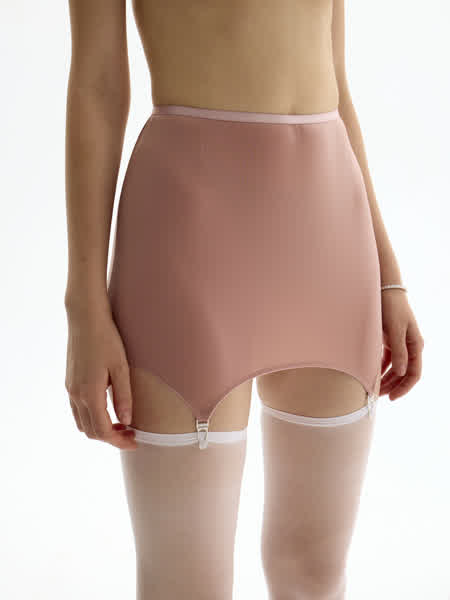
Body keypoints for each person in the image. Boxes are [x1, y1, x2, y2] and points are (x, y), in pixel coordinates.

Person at [64, 1, 424, 598]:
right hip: (186, 237)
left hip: (331, 237)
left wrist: (388, 276)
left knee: (314, 572)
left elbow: (337, 84)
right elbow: (97, 88)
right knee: (185, 585)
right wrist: (84, 308)